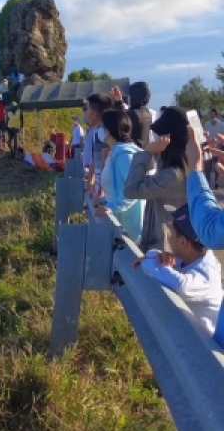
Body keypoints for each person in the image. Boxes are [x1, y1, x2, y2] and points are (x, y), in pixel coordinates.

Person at [134, 205, 222, 345]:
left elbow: (179, 284)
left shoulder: (206, 274)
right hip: (193, 337)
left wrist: (149, 262)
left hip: (207, 350)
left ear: (182, 242)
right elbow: (157, 257)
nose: (169, 237)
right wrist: (157, 255)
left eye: (171, 233)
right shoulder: (193, 257)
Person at [125, 107, 191, 253]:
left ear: (167, 139)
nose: (153, 139)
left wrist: (147, 153)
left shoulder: (173, 175)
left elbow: (131, 190)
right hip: (167, 249)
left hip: (165, 251)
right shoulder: (181, 167)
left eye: (157, 135)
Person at [93, 110, 144, 241]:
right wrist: (105, 201)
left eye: (102, 126)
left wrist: (111, 207)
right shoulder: (115, 152)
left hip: (130, 227)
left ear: (109, 129)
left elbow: (134, 190)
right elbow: (117, 187)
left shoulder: (124, 155)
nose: (99, 130)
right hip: (119, 223)